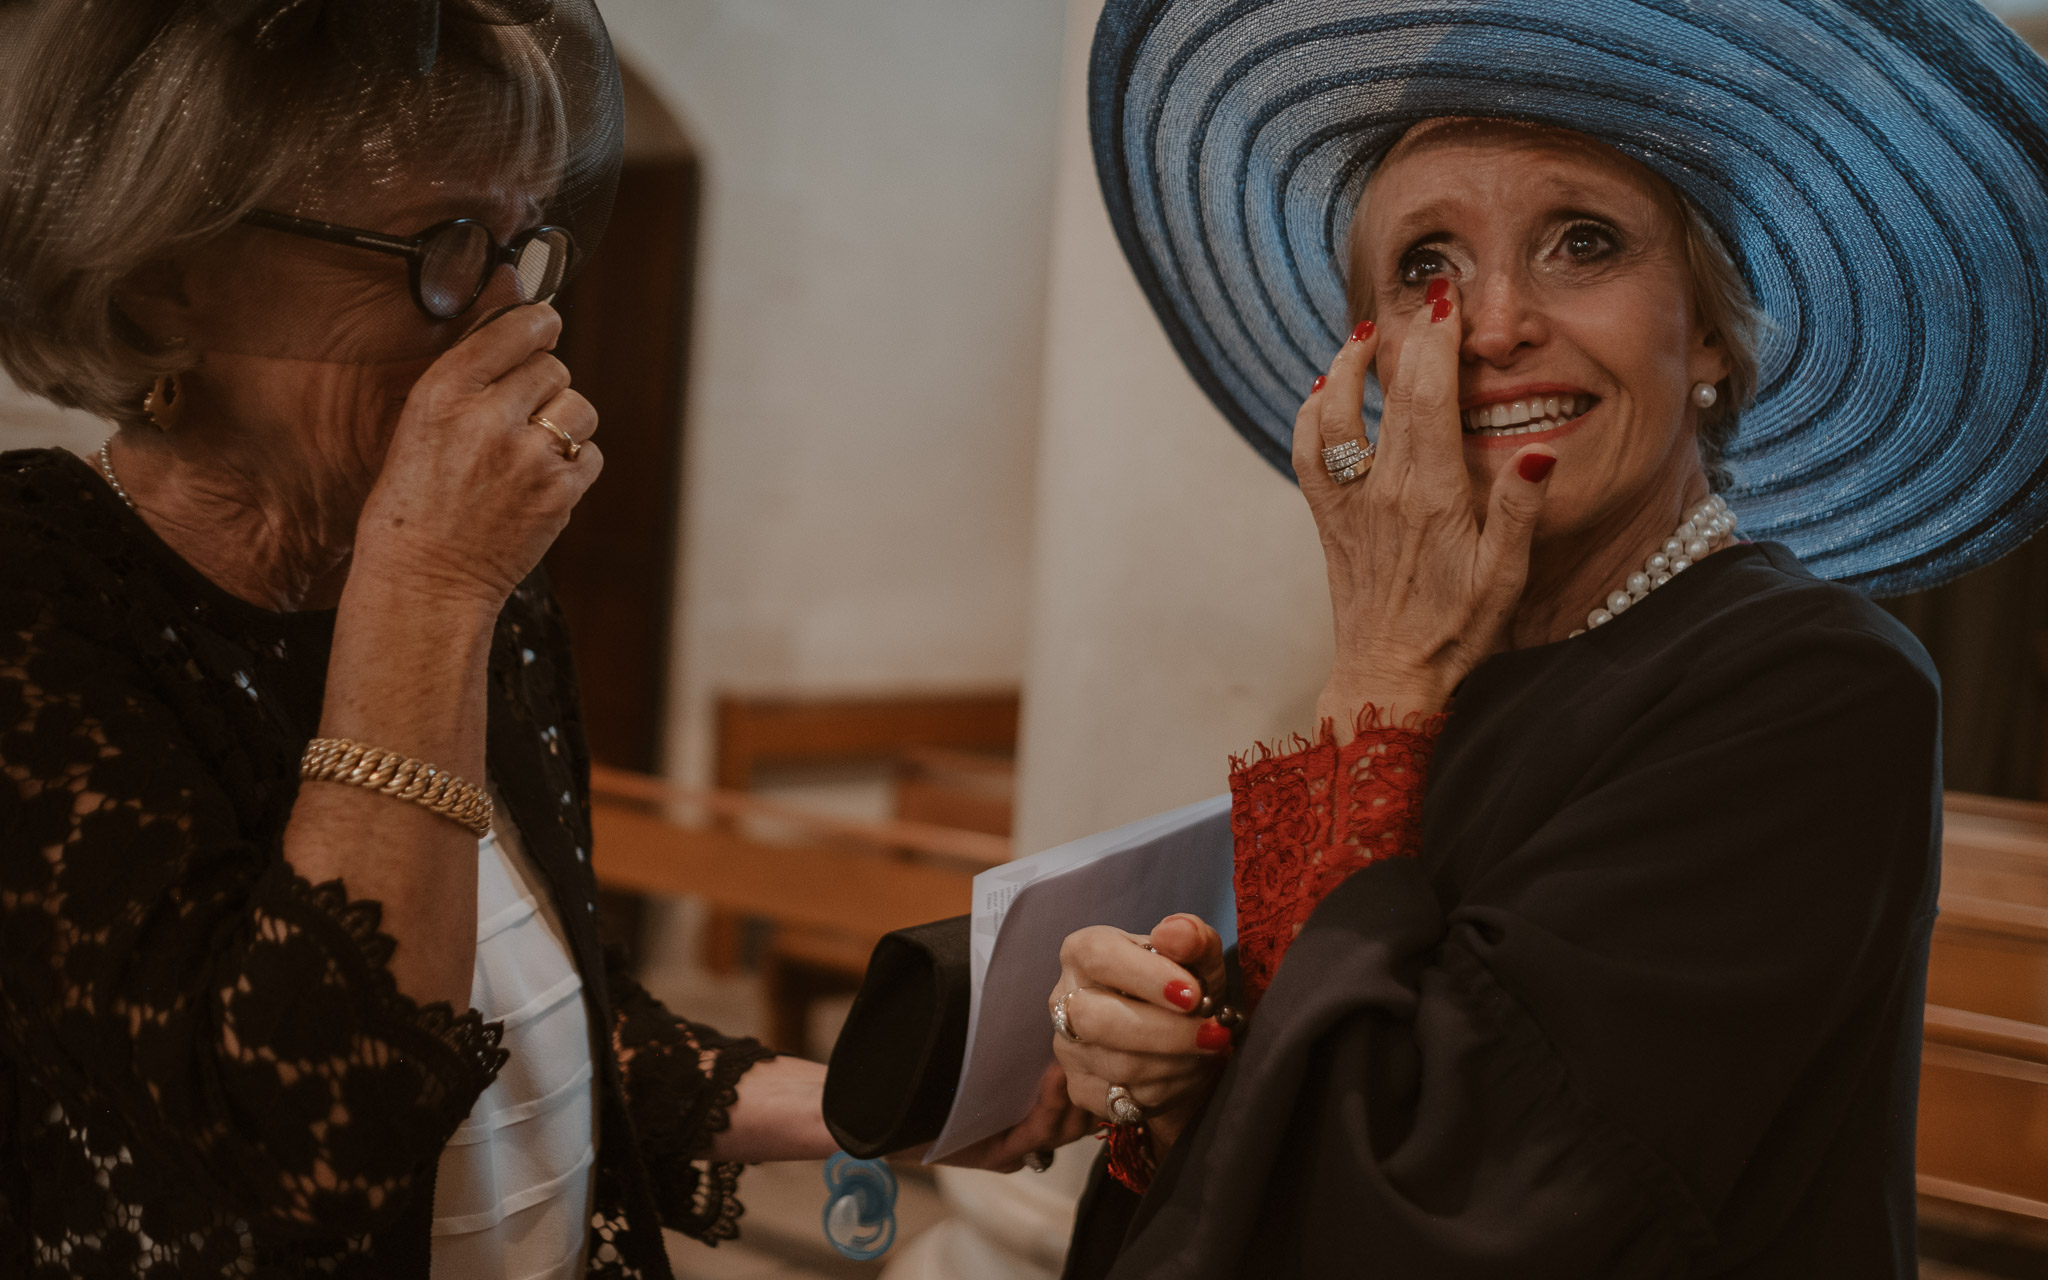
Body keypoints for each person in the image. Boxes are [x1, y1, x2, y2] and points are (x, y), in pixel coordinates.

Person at [0, 3, 1079, 1277]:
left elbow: (538, 1017)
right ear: (170, 266)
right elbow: (294, 1145)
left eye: (523, 246)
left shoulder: (486, 592)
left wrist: (867, 1107)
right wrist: (432, 582)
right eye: (443, 244)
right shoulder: (42, 596)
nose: (516, 316)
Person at [1050, 1, 2048, 1275]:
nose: (1497, 320)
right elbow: (1320, 1091)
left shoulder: (1813, 686)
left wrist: (1380, 669)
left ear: (1706, 337)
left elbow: (1436, 1205)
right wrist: (1165, 1064)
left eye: (1582, 241)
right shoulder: (1451, 671)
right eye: (1425, 267)